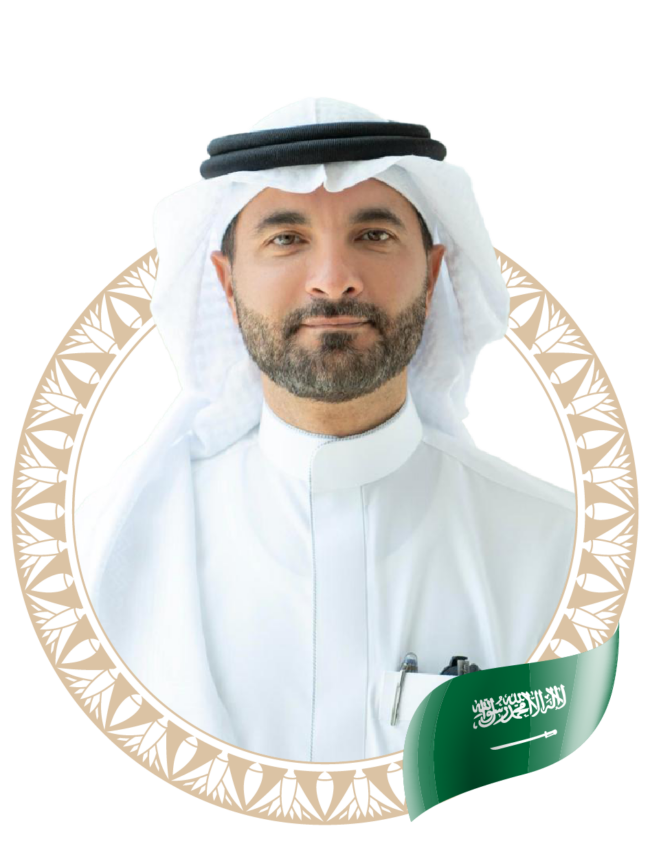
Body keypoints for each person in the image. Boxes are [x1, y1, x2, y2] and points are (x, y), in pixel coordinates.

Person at [74, 97, 576, 763]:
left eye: (373, 236)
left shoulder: (557, 548)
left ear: (432, 275)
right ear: (227, 285)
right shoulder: (107, 550)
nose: (334, 281)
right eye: (286, 238)